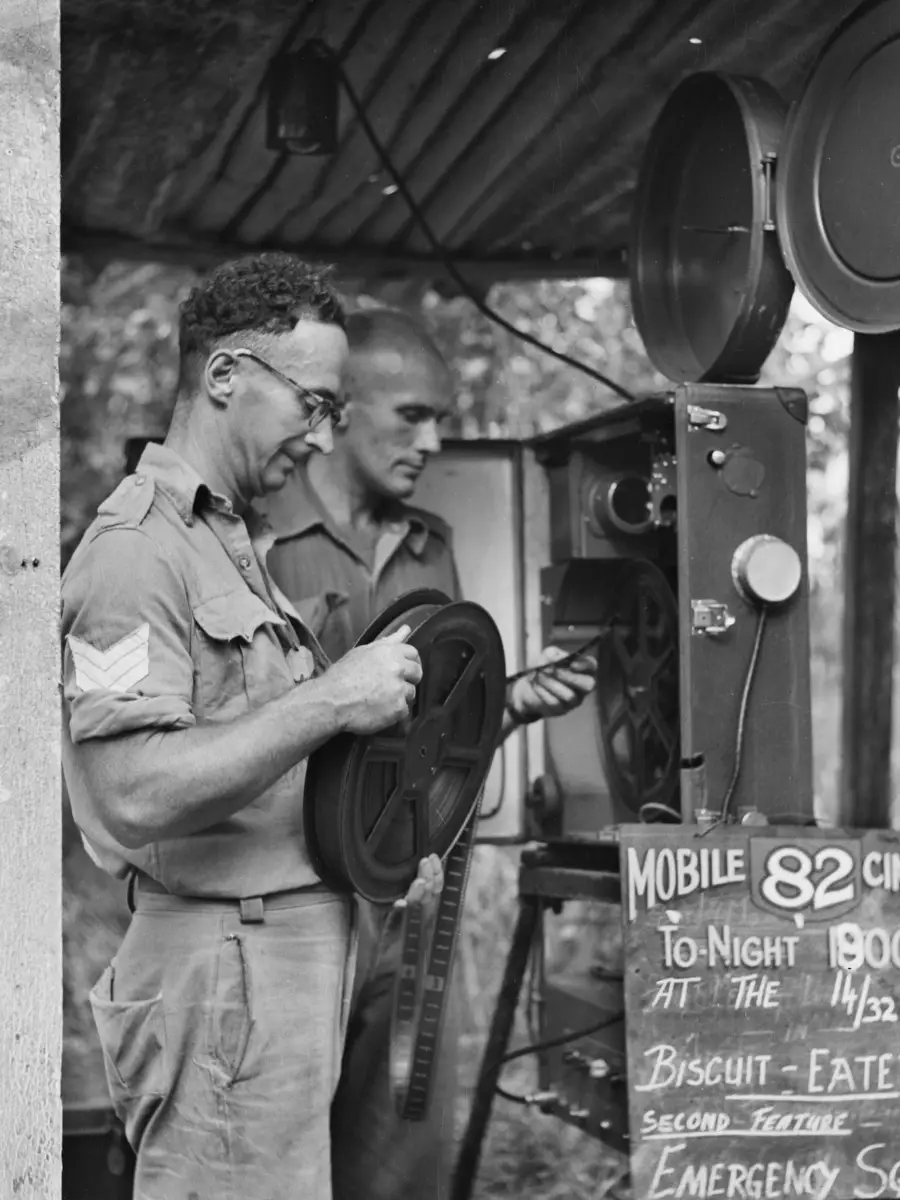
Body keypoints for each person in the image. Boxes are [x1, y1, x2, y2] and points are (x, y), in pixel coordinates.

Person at [60, 256, 443, 1200]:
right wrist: (332, 698)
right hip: (226, 980)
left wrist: (378, 849)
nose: (321, 439)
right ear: (227, 376)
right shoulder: (135, 554)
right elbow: (132, 791)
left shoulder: (226, 541)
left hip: (272, 972)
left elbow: (266, 777)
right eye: (312, 405)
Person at [262, 306, 598, 1200]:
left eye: (441, 417)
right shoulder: (245, 536)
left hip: (406, 900)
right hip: (285, 906)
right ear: (335, 412)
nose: (434, 439)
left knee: (400, 1154)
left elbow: (433, 736)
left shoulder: (430, 545)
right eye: (412, 415)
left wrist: (510, 705)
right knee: (275, 1160)